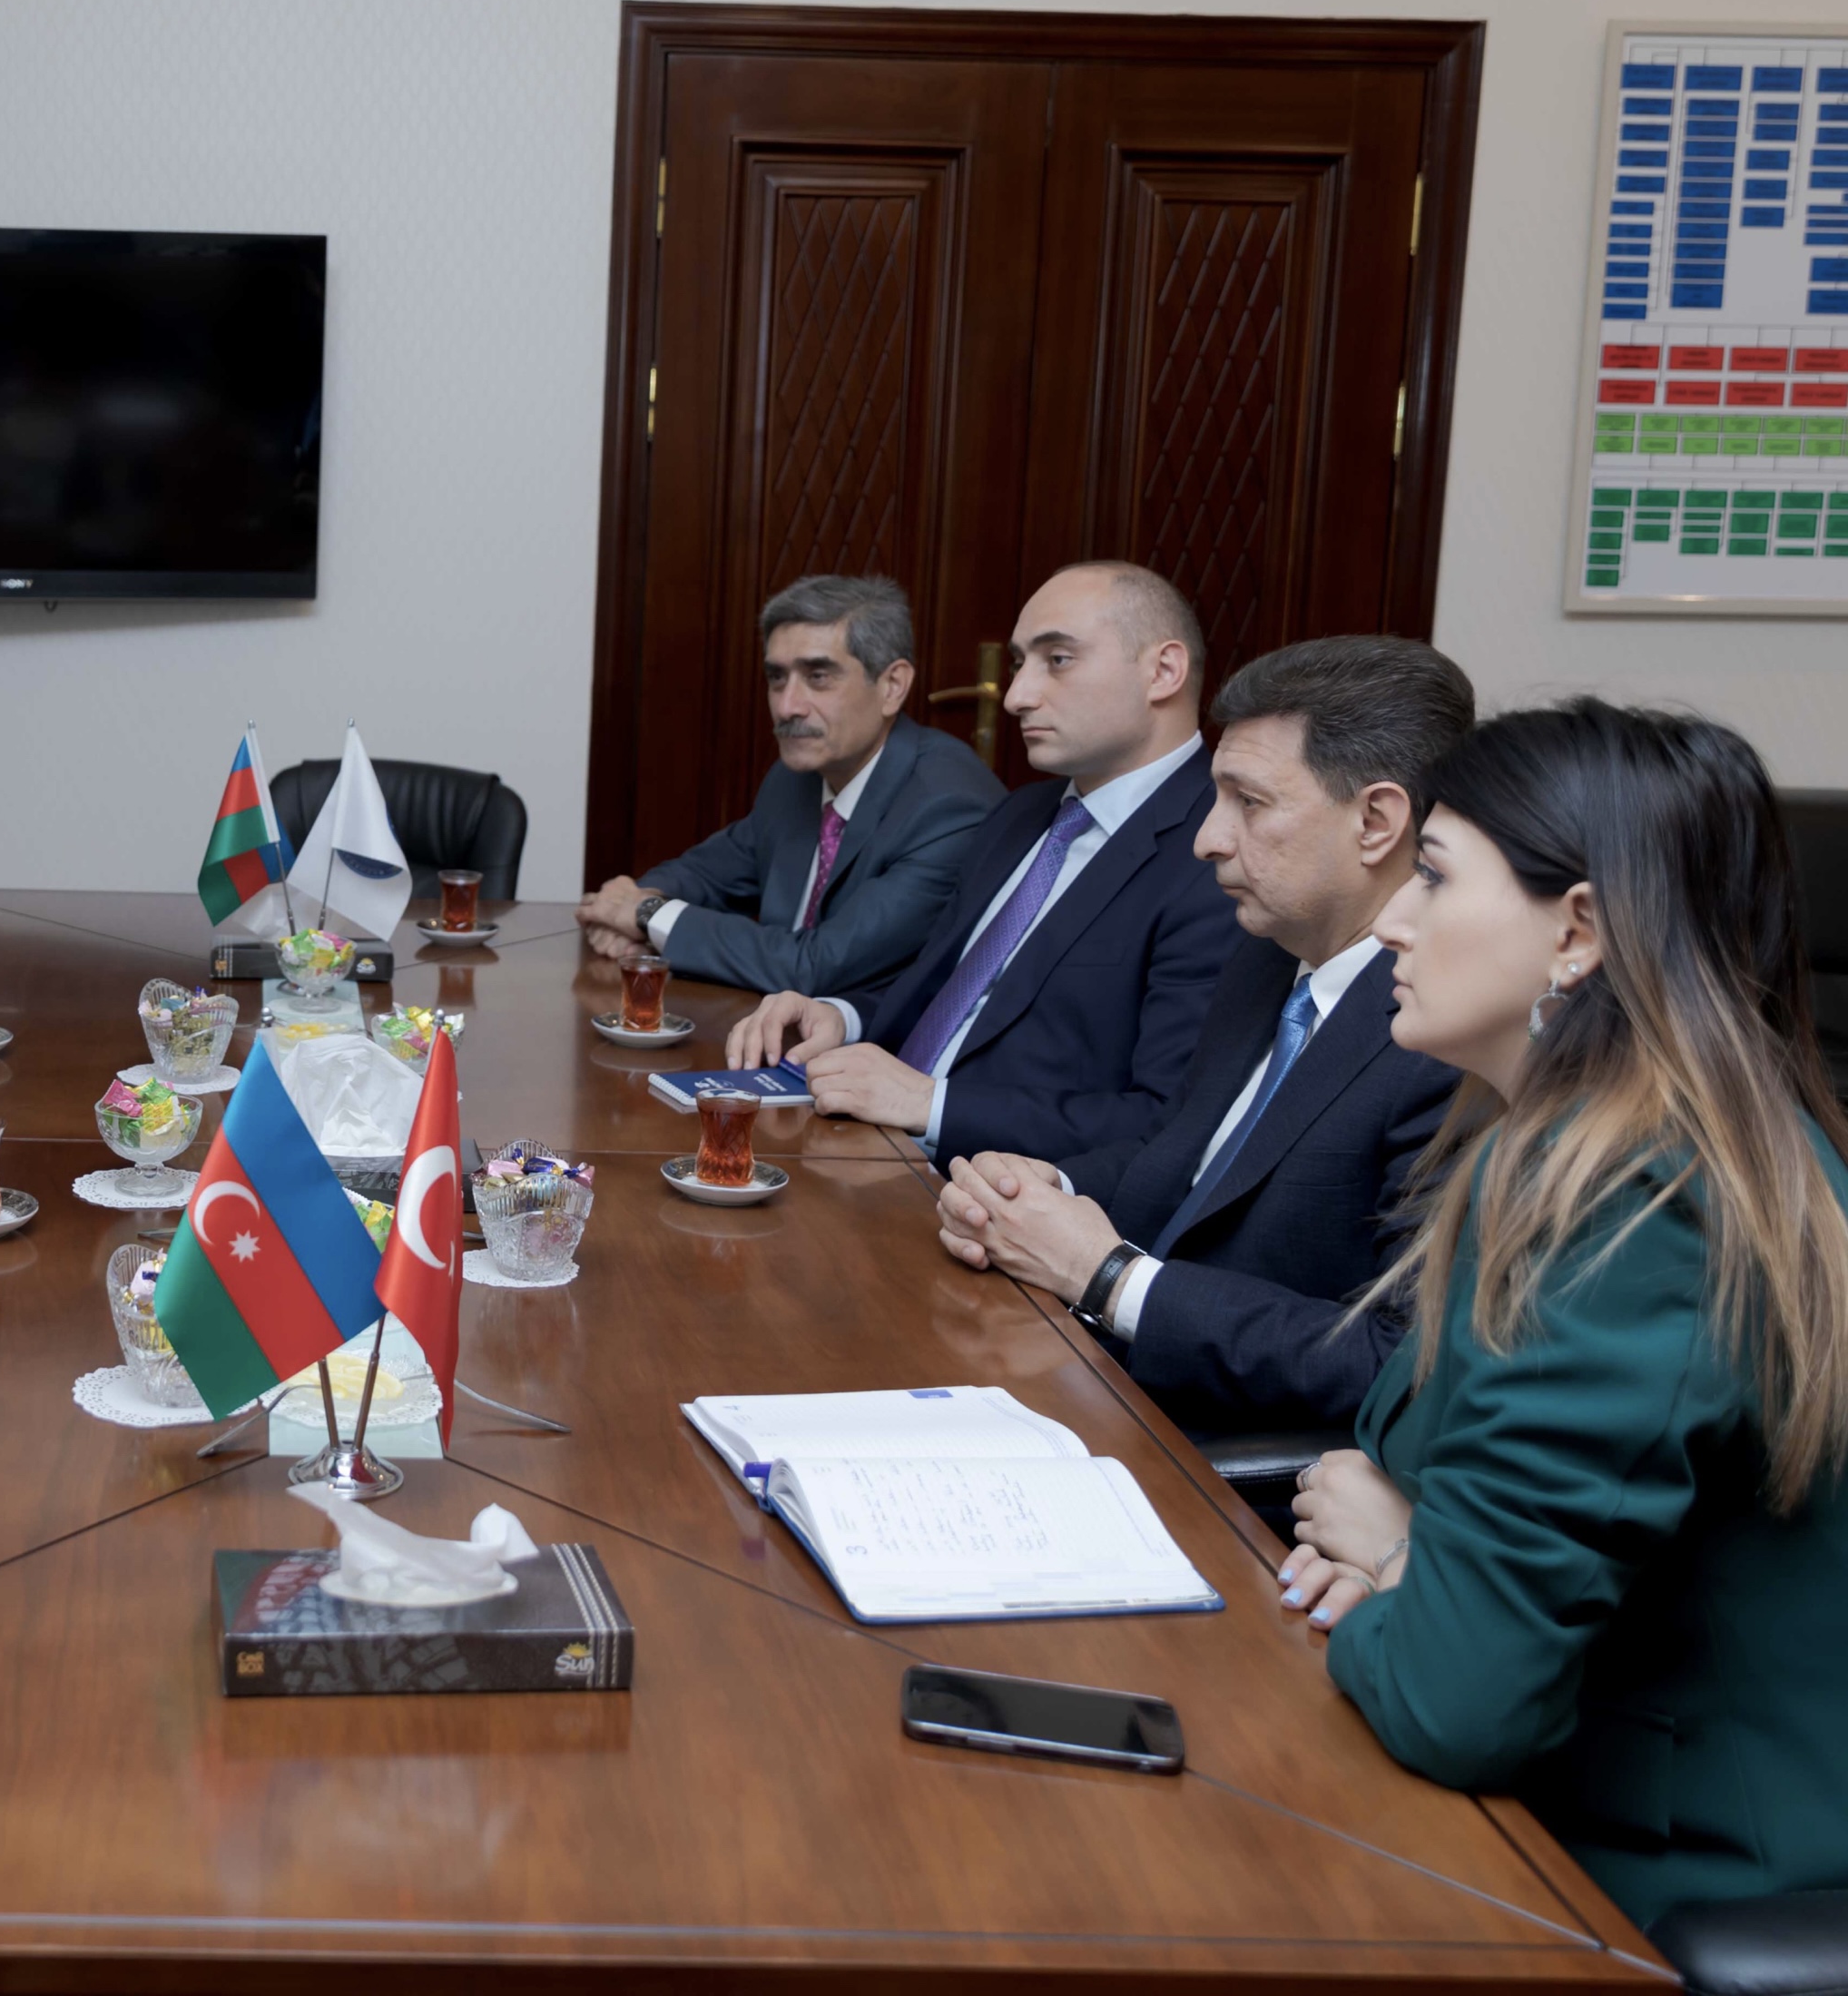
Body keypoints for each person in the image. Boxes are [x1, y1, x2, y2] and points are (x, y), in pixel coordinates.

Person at [1277, 702, 1848, 1926]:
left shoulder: (1636, 1200)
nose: (1392, 920)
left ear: (1576, 932)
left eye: (1434, 876)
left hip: (1657, 1870)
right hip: (1548, 1797)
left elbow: (1456, 1702)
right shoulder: (1607, 1143)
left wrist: (1397, 1560)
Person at [933, 635, 1472, 1431]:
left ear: (1375, 821)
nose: (1207, 839)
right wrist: (1046, 1190)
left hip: (1218, 1455)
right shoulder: (1267, 954)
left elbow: (1398, 1361)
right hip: (1100, 1378)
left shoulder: (1446, 1035)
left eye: (1248, 803)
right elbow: (1185, 1157)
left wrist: (1106, 1276)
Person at [724, 561, 1238, 1165]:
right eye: (1020, 663)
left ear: (1164, 671)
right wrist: (840, 1017)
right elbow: (950, 989)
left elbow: (1165, 1122)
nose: (1017, 696)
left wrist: (933, 1105)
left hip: (991, 1191)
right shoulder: (1020, 814)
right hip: (866, 1146)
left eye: (1058, 660)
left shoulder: (1218, 855)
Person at [576, 573, 1001, 998]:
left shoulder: (947, 806)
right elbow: (705, 874)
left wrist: (648, 915)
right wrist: (635, 906)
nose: (787, 706)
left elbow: (817, 966)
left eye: (818, 676)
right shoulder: (797, 778)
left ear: (892, 686)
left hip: (883, 1036)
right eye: (777, 678)